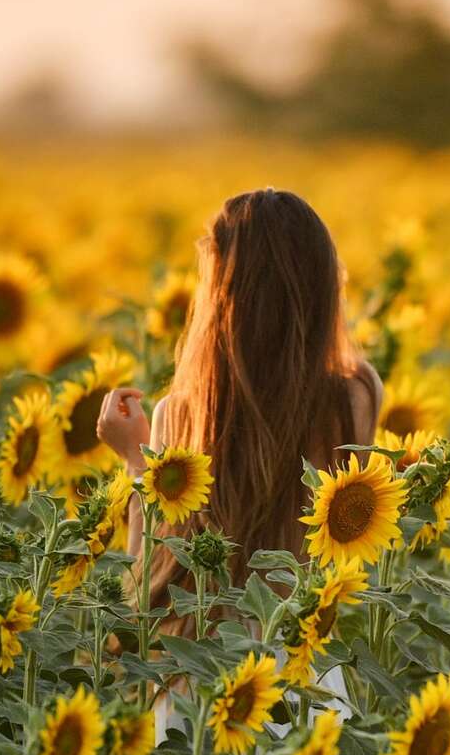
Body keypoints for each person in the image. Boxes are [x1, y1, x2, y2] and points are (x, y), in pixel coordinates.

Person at [96, 188, 384, 618]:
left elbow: (147, 583)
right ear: (323, 289)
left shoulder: (180, 416)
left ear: (219, 298)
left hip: (201, 663)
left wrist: (138, 461)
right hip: (302, 660)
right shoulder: (354, 396)